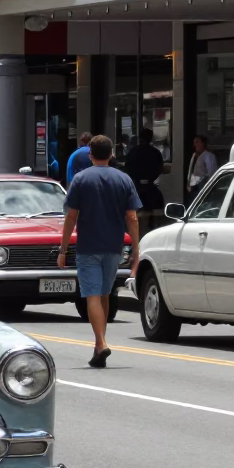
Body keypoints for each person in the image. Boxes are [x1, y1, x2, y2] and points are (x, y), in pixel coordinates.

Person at [58, 135, 140, 369]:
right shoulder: (124, 179)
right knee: (104, 294)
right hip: (114, 246)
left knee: (92, 295)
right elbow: (132, 217)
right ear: (112, 153)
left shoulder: (81, 180)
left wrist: (63, 249)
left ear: (90, 154)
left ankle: (101, 342)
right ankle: (98, 345)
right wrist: (136, 247)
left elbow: (71, 217)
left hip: (88, 247)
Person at [124, 128, 165, 233]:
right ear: (151, 138)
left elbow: (127, 167)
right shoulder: (155, 153)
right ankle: (151, 228)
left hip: (136, 187)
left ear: (140, 138)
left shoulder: (133, 152)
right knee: (154, 211)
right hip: (151, 187)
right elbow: (160, 168)